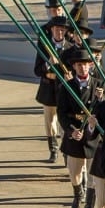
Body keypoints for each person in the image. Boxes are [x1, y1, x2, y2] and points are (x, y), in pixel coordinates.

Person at [56, 46, 103, 208]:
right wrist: (71, 131)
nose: (83, 67)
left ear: (91, 65)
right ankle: (78, 193)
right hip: (75, 132)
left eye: (86, 64)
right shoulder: (67, 86)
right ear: (74, 67)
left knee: (92, 175)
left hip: (92, 135)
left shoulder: (99, 85)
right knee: (75, 173)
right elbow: (61, 113)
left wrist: (101, 98)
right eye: (79, 65)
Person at [34, 16, 70, 163]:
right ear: (51, 30)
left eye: (62, 30)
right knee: (50, 121)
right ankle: (53, 149)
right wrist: (48, 65)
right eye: (56, 29)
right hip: (49, 91)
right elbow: (37, 70)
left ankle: (67, 151)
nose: (59, 33)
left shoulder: (70, 48)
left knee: (65, 123)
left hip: (65, 91)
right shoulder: (44, 46)